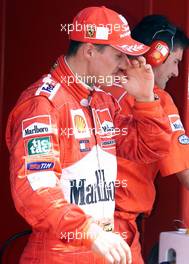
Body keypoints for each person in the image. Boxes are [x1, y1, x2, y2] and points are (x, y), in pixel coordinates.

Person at [6, 7, 172, 264]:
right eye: (118, 55)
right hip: (60, 253)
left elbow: (148, 150)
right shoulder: (42, 104)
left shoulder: (102, 101)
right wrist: (88, 231)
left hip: (104, 248)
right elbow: (36, 187)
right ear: (90, 50)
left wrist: (145, 98)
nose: (124, 65)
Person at [104, 15, 189, 264]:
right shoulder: (159, 101)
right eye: (175, 62)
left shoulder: (97, 90)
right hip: (118, 232)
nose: (175, 72)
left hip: (80, 223)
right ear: (155, 55)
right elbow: (186, 173)